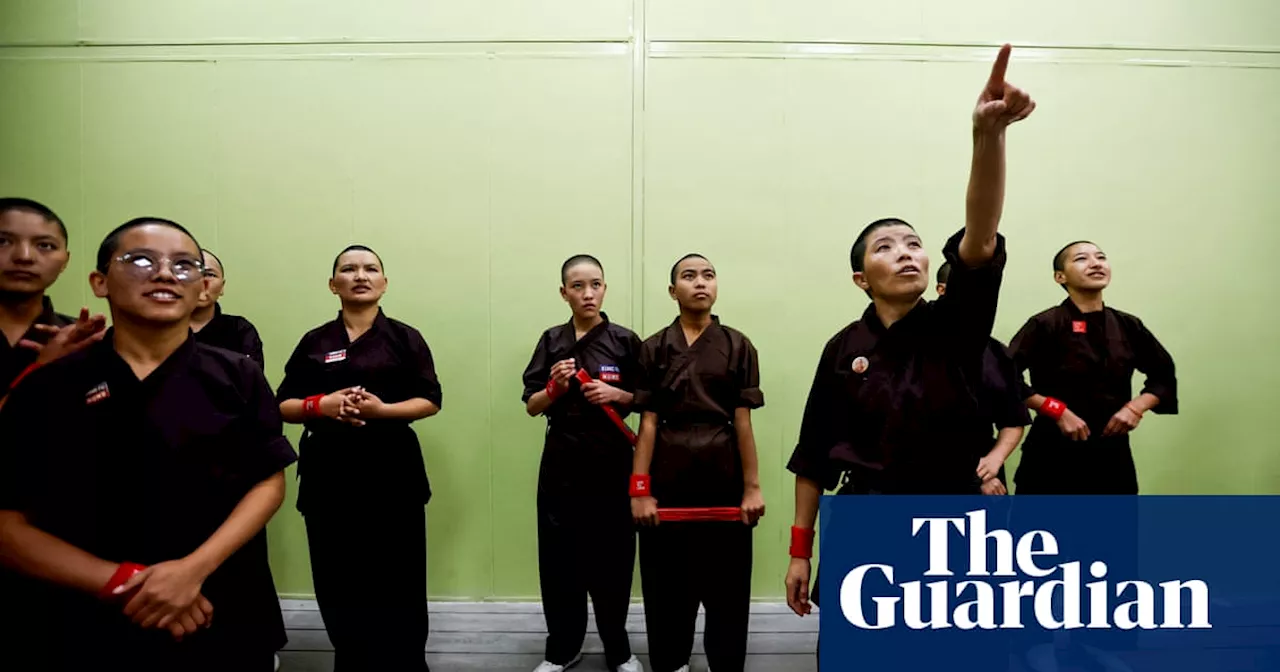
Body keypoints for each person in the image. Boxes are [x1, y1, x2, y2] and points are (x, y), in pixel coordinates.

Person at [783, 44, 1035, 629]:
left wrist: (988, 135)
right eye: (886, 247)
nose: (906, 253)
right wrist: (800, 550)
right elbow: (813, 456)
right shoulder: (843, 349)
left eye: (913, 242)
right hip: (866, 519)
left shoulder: (957, 326)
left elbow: (980, 230)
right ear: (860, 278)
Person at [0, 217, 296, 671]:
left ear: (203, 288)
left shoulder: (238, 375)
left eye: (184, 266)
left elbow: (266, 482)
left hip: (218, 608)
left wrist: (191, 572)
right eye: (140, 260)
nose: (163, 274)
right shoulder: (50, 384)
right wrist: (126, 582)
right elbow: (9, 523)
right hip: (84, 620)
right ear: (100, 282)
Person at [277, 244, 442, 671]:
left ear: (384, 283)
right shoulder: (315, 342)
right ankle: (350, 659)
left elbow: (430, 401)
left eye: (371, 269)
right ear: (334, 285)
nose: (360, 275)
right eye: (348, 269)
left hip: (393, 474)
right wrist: (321, 405)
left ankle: (406, 663)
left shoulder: (406, 338)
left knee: (399, 578)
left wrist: (381, 411)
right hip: (328, 476)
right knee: (337, 579)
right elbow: (282, 405)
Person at [631, 253, 766, 672]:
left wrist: (752, 487)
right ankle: (670, 662)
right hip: (667, 480)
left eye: (708, 275)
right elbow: (648, 423)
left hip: (722, 478)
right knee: (666, 590)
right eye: (689, 276)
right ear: (674, 291)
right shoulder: (653, 348)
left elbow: (742, 422)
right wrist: (640, 490)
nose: (700, 282)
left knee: (727, 593)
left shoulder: (738, 345)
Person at [522, 255, 644, 672]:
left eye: (595, 285)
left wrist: (620, 397)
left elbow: (649, 400)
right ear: (564, 293)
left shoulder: (626, 341)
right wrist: (554, 388)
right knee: (559, 558)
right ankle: (562, 648)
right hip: (561, 459)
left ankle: (619, 649)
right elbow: (532, 406)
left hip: (611, 460)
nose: (587, 293)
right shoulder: (552, 340)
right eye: (577, 286)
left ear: (605, 288)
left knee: (613, 556)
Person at [1008, 240, 1178, 494]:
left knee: (1112, 533)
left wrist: (1135, 408)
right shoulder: (1044, 324)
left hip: (1112, 458)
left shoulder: (1127, 326)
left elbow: (1163, 374)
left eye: (1100, 257)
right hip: (1052, 457)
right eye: (1081, 259)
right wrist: (1057, 410)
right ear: (1059, 277)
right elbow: (1004, 377)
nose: (1095, 263)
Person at [936, 260, 1031, 494]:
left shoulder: (996, 352)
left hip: (982, 477)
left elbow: (1013, 419)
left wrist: (992, 463)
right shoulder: (915, 338)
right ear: (941, 289)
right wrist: (971, 476)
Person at [191, 249, 265, 369]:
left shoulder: (239, 330)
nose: (202, 281)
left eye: (210, 274)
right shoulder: (160, 329)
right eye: (193, 273)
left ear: (222, 287)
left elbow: (250, 382)